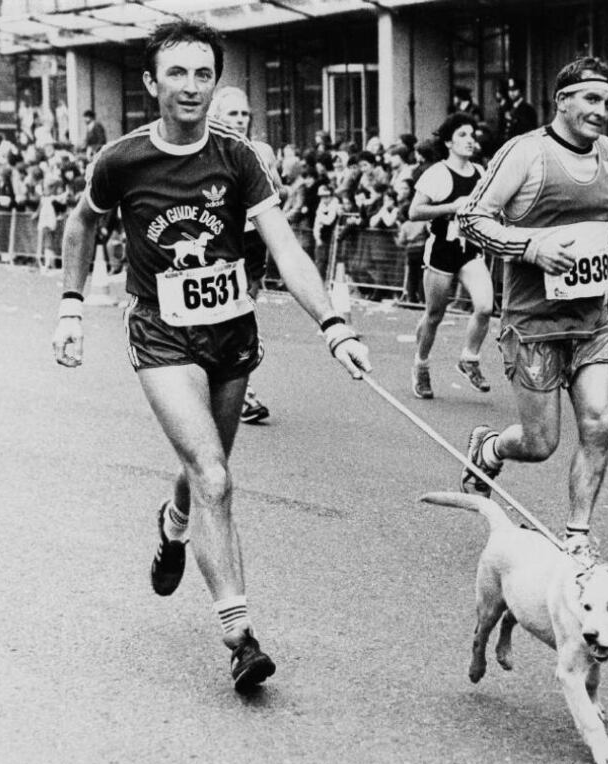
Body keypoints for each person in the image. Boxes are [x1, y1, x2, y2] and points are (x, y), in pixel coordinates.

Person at [51, 20, 371, 694]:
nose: (191, 86)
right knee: (215, 477)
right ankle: (240, 635)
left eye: (204, 74)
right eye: (178, 73)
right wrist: (72, 306)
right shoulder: (122, 159)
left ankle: (172, 525)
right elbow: (82, 222)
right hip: (163, 335)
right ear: (150, 83)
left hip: (231, 335)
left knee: (204, 472)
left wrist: (334, 324)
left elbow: (285, 247)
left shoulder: (237, 158)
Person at [457, 56, 608, 562]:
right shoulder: (526, 153)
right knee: (539, 443)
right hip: (534, 325)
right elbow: (472, 219)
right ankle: (490, 447)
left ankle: (577, 536)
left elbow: (595, 223)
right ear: (562, 100)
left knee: (600, 421)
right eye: (591, 99)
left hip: (591, 321)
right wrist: (531, 248)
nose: (601, 110)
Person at [409, 112, 494, 399]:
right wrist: (450, 207)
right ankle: (421, 365)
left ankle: (469, 359)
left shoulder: (482, 173)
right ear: (448, 142)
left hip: (470, 248)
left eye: (472, 135)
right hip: (442, 248)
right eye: (462, 135)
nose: (470, 140)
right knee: (434, 315)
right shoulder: (437, 174)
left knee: (484, 306)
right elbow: (414, 212)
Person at [209, 84, 280, 425]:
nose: (240, 120)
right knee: (229, 318)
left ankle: (231, 385)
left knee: (244, 315)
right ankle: (239, 393)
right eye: (232, 114)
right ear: (217, 116)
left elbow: (277, 190)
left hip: (253, 242)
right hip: (223, 242)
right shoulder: (209, 150)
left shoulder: (262, 150)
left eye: (244, 114)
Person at [501, 77, 537, 141]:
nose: (511, 93)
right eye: (509, 90)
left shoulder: (528, 110)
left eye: (514, 89)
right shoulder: (507, 108)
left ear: (520, 90)